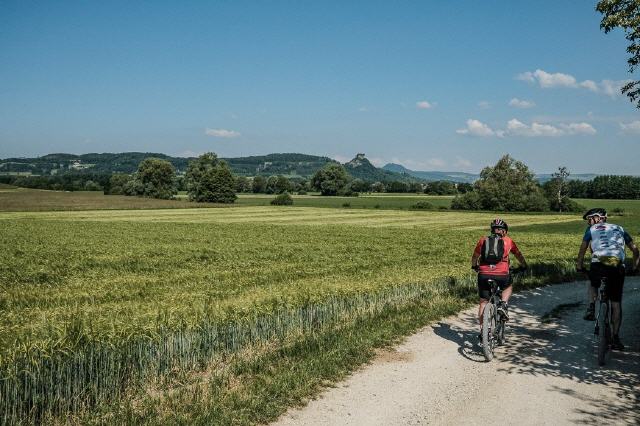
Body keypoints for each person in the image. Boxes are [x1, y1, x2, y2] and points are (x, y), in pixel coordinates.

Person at [576, 208, 639, 351]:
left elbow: (583, 248)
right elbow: (635, 250)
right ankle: (616, 337)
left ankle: (591, 308)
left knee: (592, 281)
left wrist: (579, 266)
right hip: (617, 266)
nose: (588, 222)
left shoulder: (592, 229)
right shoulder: (619, 228)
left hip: (598, 264)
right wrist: (635, 268)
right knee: (616, 303)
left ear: (598, 218)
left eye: (590, 219)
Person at [471, 218, 528, 339]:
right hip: (502, 274)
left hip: (484, 274)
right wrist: (524, 266)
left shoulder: (483, 240)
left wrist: (474, 266)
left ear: (492, 230)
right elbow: (518, 255)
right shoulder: (508, 241)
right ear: (504, 231)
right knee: (508, 285)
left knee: (483, 303)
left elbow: (475, 256)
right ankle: (503, 304)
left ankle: (483, 331)